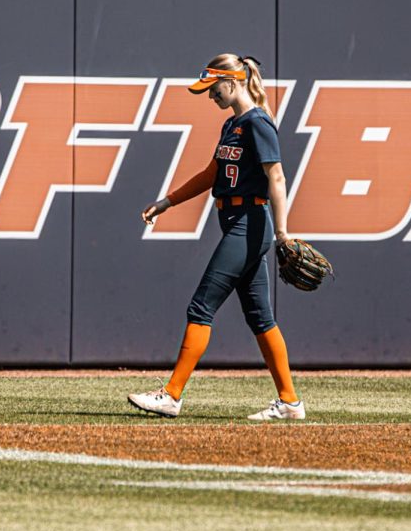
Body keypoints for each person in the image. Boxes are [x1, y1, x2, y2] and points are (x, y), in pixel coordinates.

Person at [127, 53, 305, 421]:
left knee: (201, 306)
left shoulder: (258, 123)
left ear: (233, 81)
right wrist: (168, 201)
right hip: (237, 221)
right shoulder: (233, 125)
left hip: (250, 223)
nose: (210, 96)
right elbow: (212, 173)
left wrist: (284, 232)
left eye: (213, 88)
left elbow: (277, 178)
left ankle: (172, 394)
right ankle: (289, 402)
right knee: (260, 317)